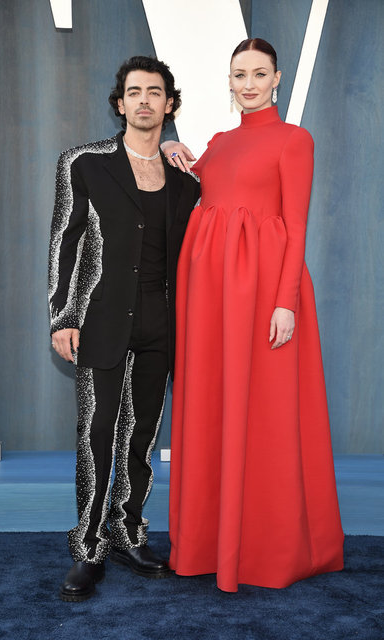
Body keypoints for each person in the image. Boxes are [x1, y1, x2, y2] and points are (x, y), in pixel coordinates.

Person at [162, 38, 344, 592]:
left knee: (266, 412)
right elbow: (205, 185)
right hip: (211, 297)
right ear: (229, 80)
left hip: (264, 294)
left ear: (277, 79)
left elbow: (296, 224)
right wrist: (174, 149)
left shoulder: (294, 140)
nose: (248, 84)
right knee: (214, 406)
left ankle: (269, 549)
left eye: (259, 74)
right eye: (239, 74)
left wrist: (286, 301)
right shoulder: (219, 142)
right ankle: (209, 543)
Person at [48, 55, 200, 601]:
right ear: (120, 104)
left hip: (163, 324)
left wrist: (187, 158)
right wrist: (63, 316)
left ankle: (128, 532)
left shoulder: (186, 181)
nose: (143, 101)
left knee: (141, 436)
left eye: (154, 92)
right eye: (134, 92)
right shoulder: (83, 163)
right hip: (101, 319)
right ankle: (87, 548)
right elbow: (64, 241)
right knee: (97, 436)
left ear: (169, 104)